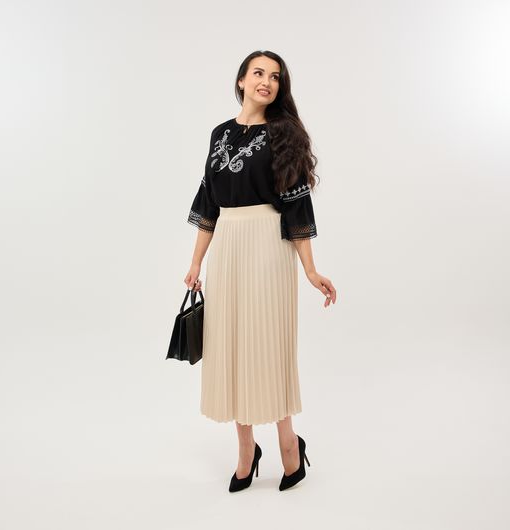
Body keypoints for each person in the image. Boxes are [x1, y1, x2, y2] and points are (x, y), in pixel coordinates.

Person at [183, 50, 337, 492]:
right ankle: (247, 451)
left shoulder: (285, 133)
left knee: (267, 345)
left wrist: (310, 269)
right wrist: (195, 261)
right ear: (241, 80)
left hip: (270, 245)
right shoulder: (219, 133)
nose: (266, 81)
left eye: (274, 76)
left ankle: (289, 445)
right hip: (227, 246)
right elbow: (208, 202)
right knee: (231, 345)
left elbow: (296, 204)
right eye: (258, 73)